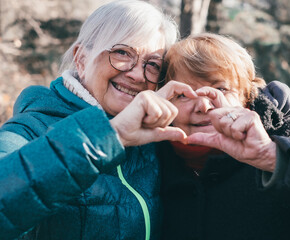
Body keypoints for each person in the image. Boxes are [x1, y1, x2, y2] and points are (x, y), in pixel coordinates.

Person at [0, 1, 200, 239]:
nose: (137, 74)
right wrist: (109, 136)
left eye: (153, 65)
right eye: (122, 53)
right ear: (81, 59)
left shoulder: (154, 139)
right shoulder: (31, 129)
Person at [157, 32, 290, 240]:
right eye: (183, 94)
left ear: (246, 95)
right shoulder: (152, 158)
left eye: (220, 89)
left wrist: (274, 158)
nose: (203, 105)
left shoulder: (288, 131)